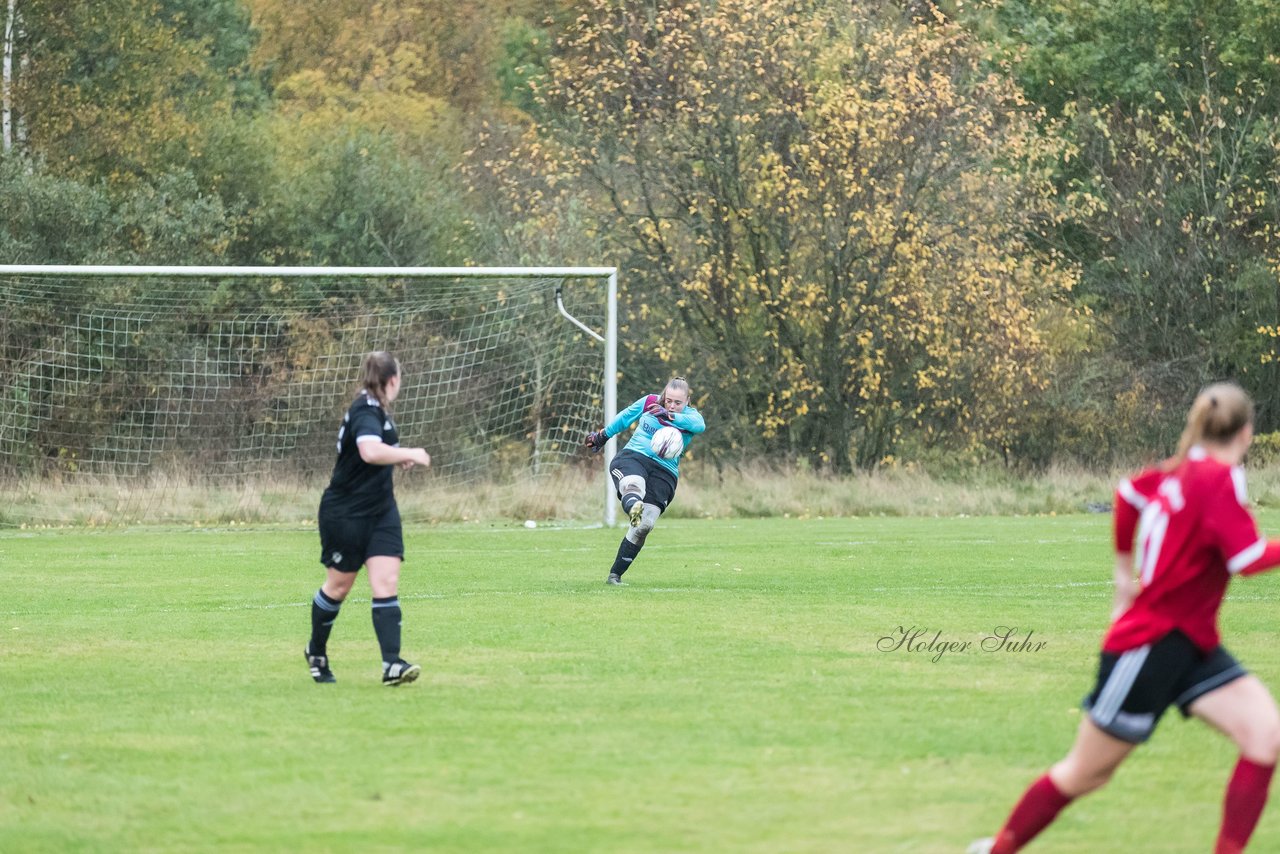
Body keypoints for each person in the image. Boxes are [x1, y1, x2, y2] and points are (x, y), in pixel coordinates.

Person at [969, 382, 1280, 854]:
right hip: (1148, 647)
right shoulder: (1213, 478)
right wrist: (1124, 581)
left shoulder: (1179, 471)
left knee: (1265, 737)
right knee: (1085, 773)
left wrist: (1122, 574)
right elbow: (1248, 558)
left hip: (1192, 643)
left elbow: (1127, 494)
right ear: (1246, 434)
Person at [303, 351, 431, 686]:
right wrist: (410, 453)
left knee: (386, 582)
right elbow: (369, 451)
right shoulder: (365, 409)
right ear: (392, 380)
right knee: (339, 586)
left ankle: (392, 665)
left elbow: (378, 452)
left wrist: (398, 459)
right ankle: (316, 651)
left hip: (381, 511)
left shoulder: (381, 413)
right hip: (345, 513)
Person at [585, 376, 705, 585]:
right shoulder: (650, 401)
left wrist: (670, 416)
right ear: (664, 395)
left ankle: (615, 576)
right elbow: (625, 417)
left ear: (687, 401)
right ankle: (634, 506)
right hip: (634, 457)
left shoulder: (691, 417)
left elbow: (700, 425)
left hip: (665, 471)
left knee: (645, 525)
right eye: (669, 401)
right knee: (634, 485)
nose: (672, 405)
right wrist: (602, 436)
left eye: (678, 402)